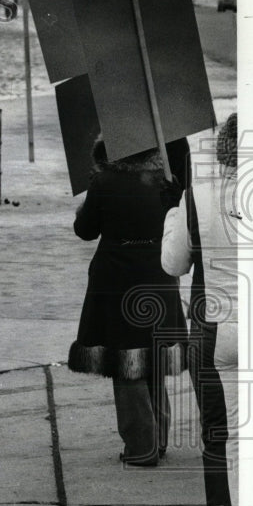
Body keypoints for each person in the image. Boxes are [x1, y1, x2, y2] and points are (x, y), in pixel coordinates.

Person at [68, 137, 187, 467]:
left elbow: (85, 230)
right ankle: (159, 440)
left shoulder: (104, 181)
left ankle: (140, 446)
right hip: (159, 273)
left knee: (126, 360)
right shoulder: (166, 179)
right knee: (152, 355)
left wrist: (90, 200)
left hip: (116, 278)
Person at [162, 115, 239, 506]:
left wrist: (175, 212)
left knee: (218, 437)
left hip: (215, 332)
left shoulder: (199, 196)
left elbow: (172, 264)